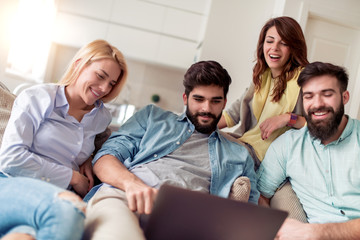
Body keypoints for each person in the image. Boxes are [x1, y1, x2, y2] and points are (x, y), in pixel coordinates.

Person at [83, 60, 259, 240]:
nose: (206, 108)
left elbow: (250, 217)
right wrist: (132, 184)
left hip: (186, 224)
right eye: (198, 99)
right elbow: (105, 158)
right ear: (185, 98)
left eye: (215, 101)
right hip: (125, 199)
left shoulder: (239, 154)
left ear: (224, 103)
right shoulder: (152, 117)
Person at [0, 39, 128, 239]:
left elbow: (99, 146)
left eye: (111, 83)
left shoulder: (102, 118)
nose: (104, 88)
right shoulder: (37, 98)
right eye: (100, 76)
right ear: (79, 64)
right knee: (69, 210)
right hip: (12, 184)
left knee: (24, 237)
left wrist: (90, 157)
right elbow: (10, 159)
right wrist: (72, 176)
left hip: (49, 197)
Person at [257, 62, 360, 239]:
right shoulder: (287, 145)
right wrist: (277, 228)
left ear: (345, 97)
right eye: (309, 96)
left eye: (327, 94)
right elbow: (261, 196)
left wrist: (319, 232)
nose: (317, 104)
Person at [218, 16, 308, 168]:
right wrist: (197, 126)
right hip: (244, 143)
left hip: (266, 156)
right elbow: (232, 115)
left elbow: (319, 125)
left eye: (284, 43)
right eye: (270, 41)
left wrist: (287, 118)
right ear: (262, 45)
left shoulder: (305, 80)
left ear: (294, 48)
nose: (274, 48)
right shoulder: (262, 75)